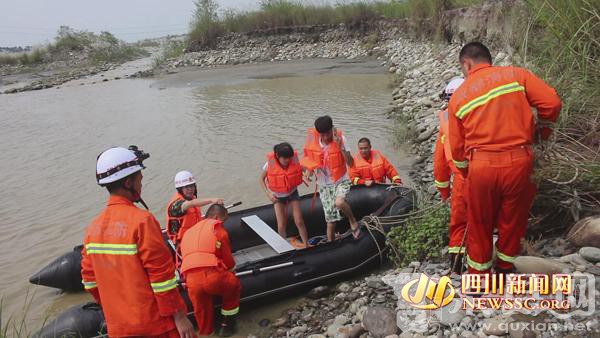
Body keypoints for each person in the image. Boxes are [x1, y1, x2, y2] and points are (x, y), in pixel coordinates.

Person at [447, 42, 562, 274]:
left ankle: (478, 277)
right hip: (520, 161)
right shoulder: (516, 75)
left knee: (479, 223)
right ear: (488, 59)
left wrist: (468, 173)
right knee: (513, 218)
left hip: (481, 166)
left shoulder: (458, 97)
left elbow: (458, 151)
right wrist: (540, 134)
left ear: (466, 64)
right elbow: (552, 103)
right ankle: (505, 266)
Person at [81, 146, 195, 338]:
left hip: (119, 327)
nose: (141, 185)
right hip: (156, 325)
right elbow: (162, 279)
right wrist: (180, 317)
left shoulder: (93, 229)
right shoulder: (142, 221)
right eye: (140, 179)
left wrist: (115, 308)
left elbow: (89, 280)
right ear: (129, 183)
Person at [181, 204, 241, 337]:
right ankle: (227, 325)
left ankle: (206, 332)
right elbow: (228, 261)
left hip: (191, 279)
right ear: (216, 217)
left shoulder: (188, 232)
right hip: (211, 276)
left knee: (201, 309)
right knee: (234, 285)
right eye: (223, 220)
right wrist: (231, 272)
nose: (223, 223)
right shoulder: (218, 230)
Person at [301, 115, 360, 241]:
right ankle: (331, 244)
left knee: (339, 202)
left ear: (332, 129)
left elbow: (350, 163)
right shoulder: (313, 143)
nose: (326, 137)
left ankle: (352, 220)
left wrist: (341, 148)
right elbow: (309, 167)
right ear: (318, 133)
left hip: (341, 180)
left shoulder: (341, 138)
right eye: (323, 134)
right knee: (330, 222)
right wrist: (307, 173)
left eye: (328, 133)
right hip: (324, 185)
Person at [433, 77, 467, 274]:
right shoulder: (479, 114)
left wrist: (445, 192)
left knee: (458, 224)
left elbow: (440, 164)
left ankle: (456, 268)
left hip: (462, 180)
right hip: (485, 173)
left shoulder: (445, 120)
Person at [259, 142, 309, 247]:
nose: (287, 161)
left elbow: (306, 169)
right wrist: (268, 194)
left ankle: (306, 245)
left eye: (289, 158)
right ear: (277, 156)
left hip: (293, 193)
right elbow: (261, 179)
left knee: (299, 221)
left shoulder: (293, 161)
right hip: (278, 197)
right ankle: (283, 247)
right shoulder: (269, 164)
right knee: (281, 225)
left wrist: (306, 174)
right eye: (285, 158)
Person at [166, 170, 224, 246]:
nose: (190, 189)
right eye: (186, 187)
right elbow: (190, 204)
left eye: (192, 186)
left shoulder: (192, 198)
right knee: (213, 246)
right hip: (184, 242)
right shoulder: (176, 206)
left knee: (219, 242)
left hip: (196, 235)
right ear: (180, 189)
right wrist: (211, 200)